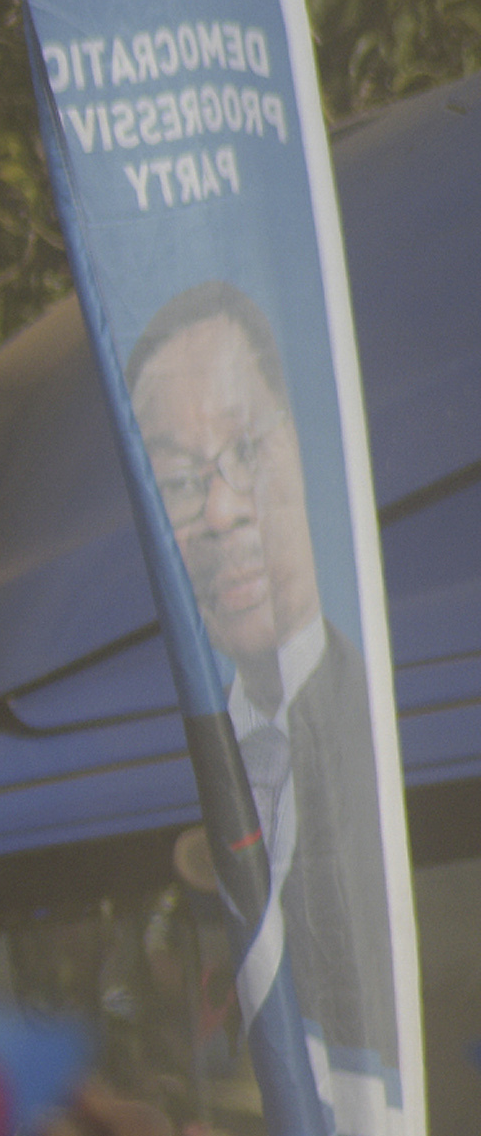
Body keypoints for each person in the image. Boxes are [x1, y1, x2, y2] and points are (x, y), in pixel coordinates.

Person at [126, 280, 392, 1060]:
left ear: (302, 445)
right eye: (178, 484)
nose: (220, 512)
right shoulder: (177, 775)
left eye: (246, 452)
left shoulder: (390, 730)